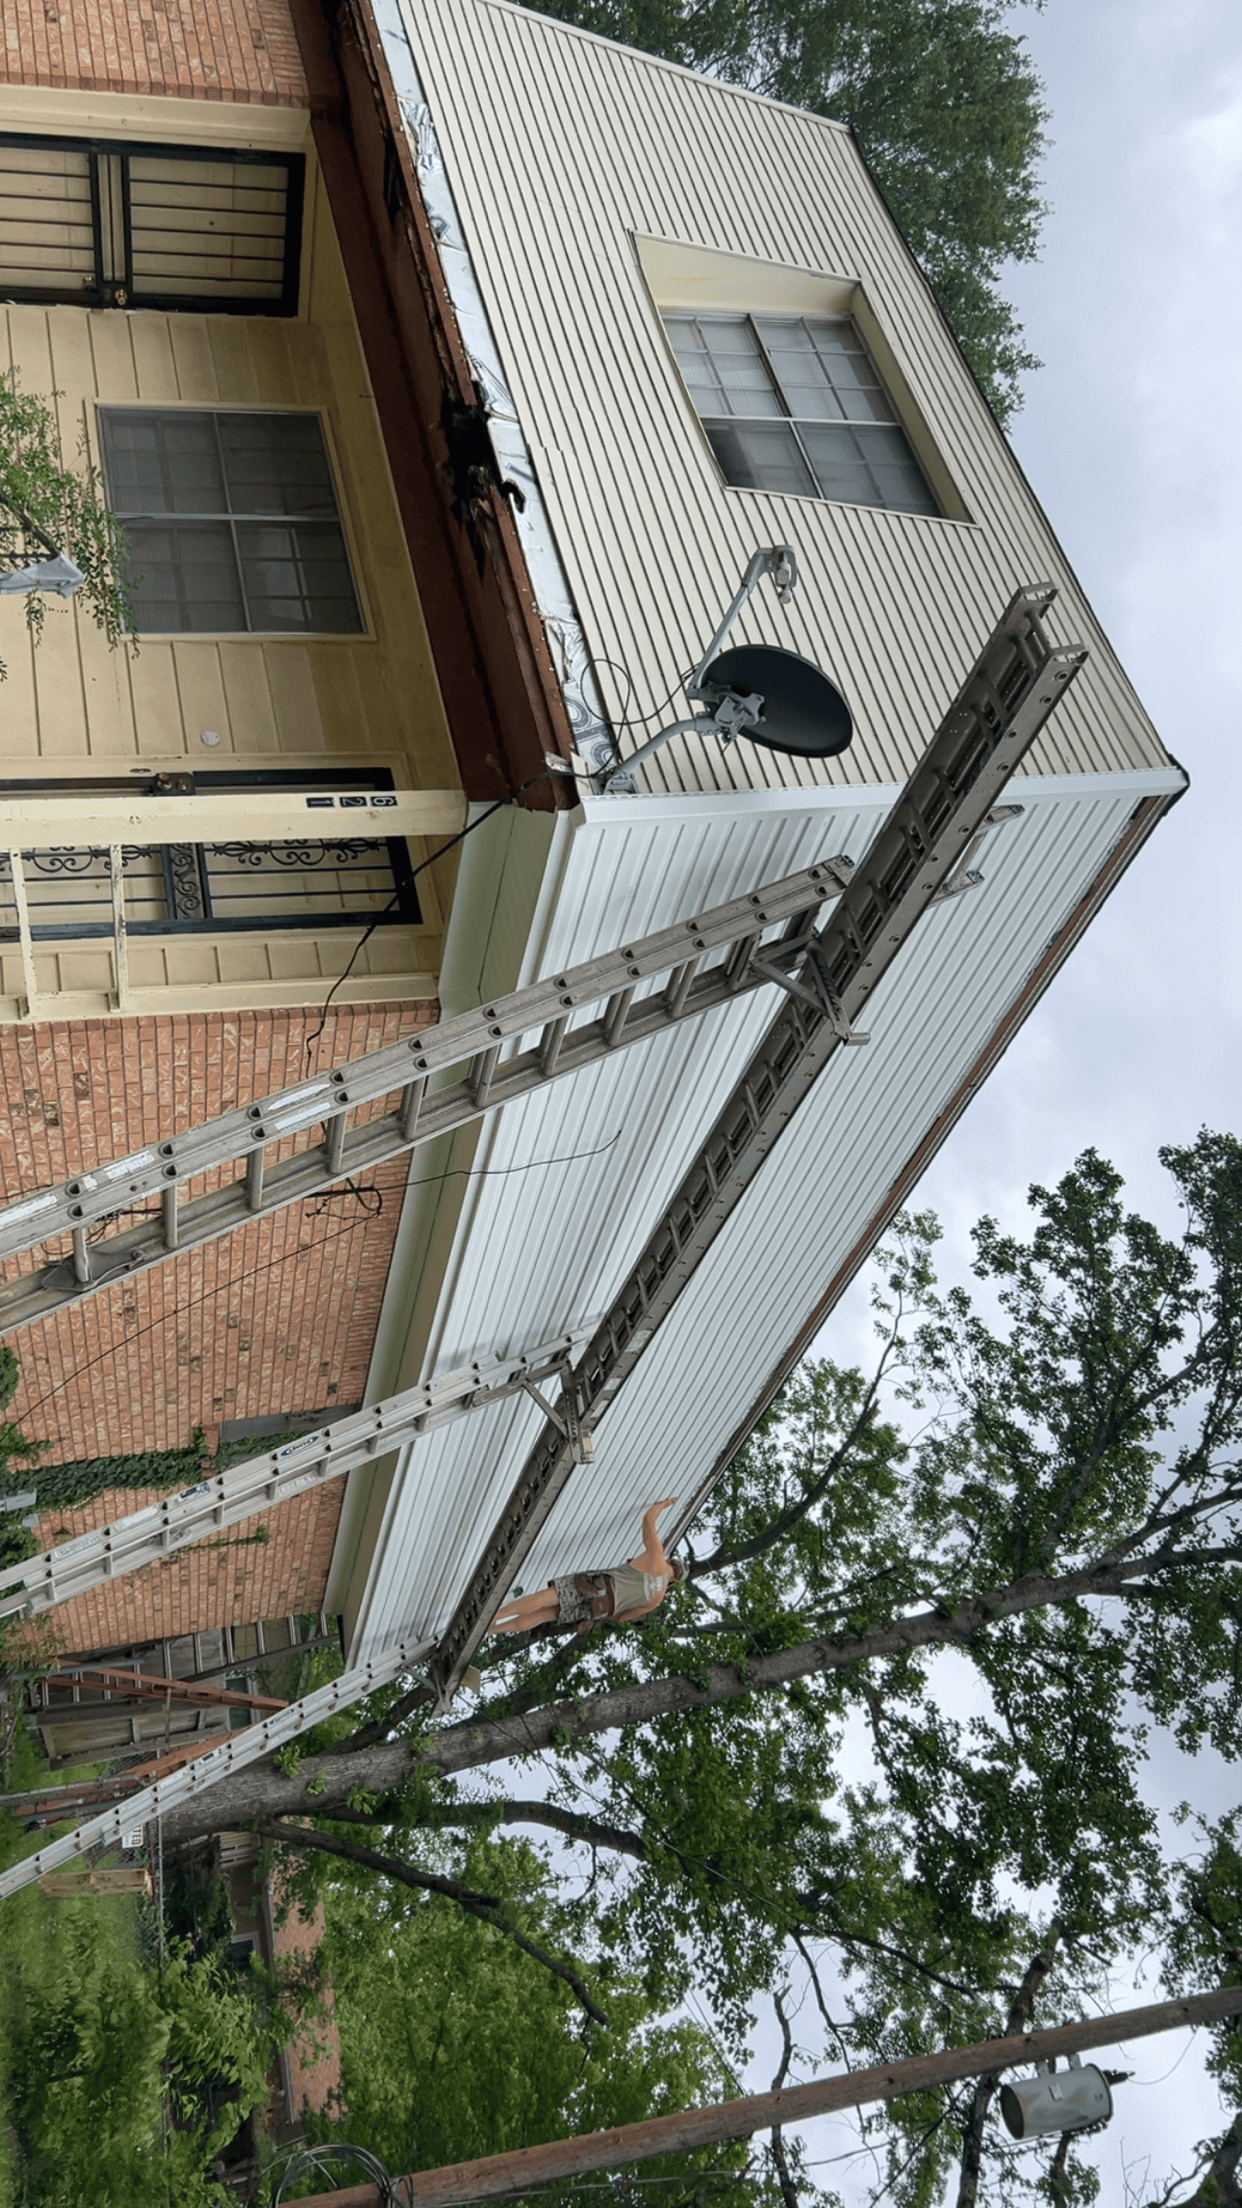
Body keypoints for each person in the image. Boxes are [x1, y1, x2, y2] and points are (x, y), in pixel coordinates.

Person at [490, 1498, 684, 1636]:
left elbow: (648, 1519)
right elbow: (620, 1618)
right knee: (544, 1615)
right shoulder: (655, 1601)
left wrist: (664, 1504)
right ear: (674, 1580)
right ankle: (493, 1631)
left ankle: (495, 1617)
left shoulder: (657, 1558)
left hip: (595, 1585)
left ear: (671, 1562)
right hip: (597, 1609)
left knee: (544, 1598)